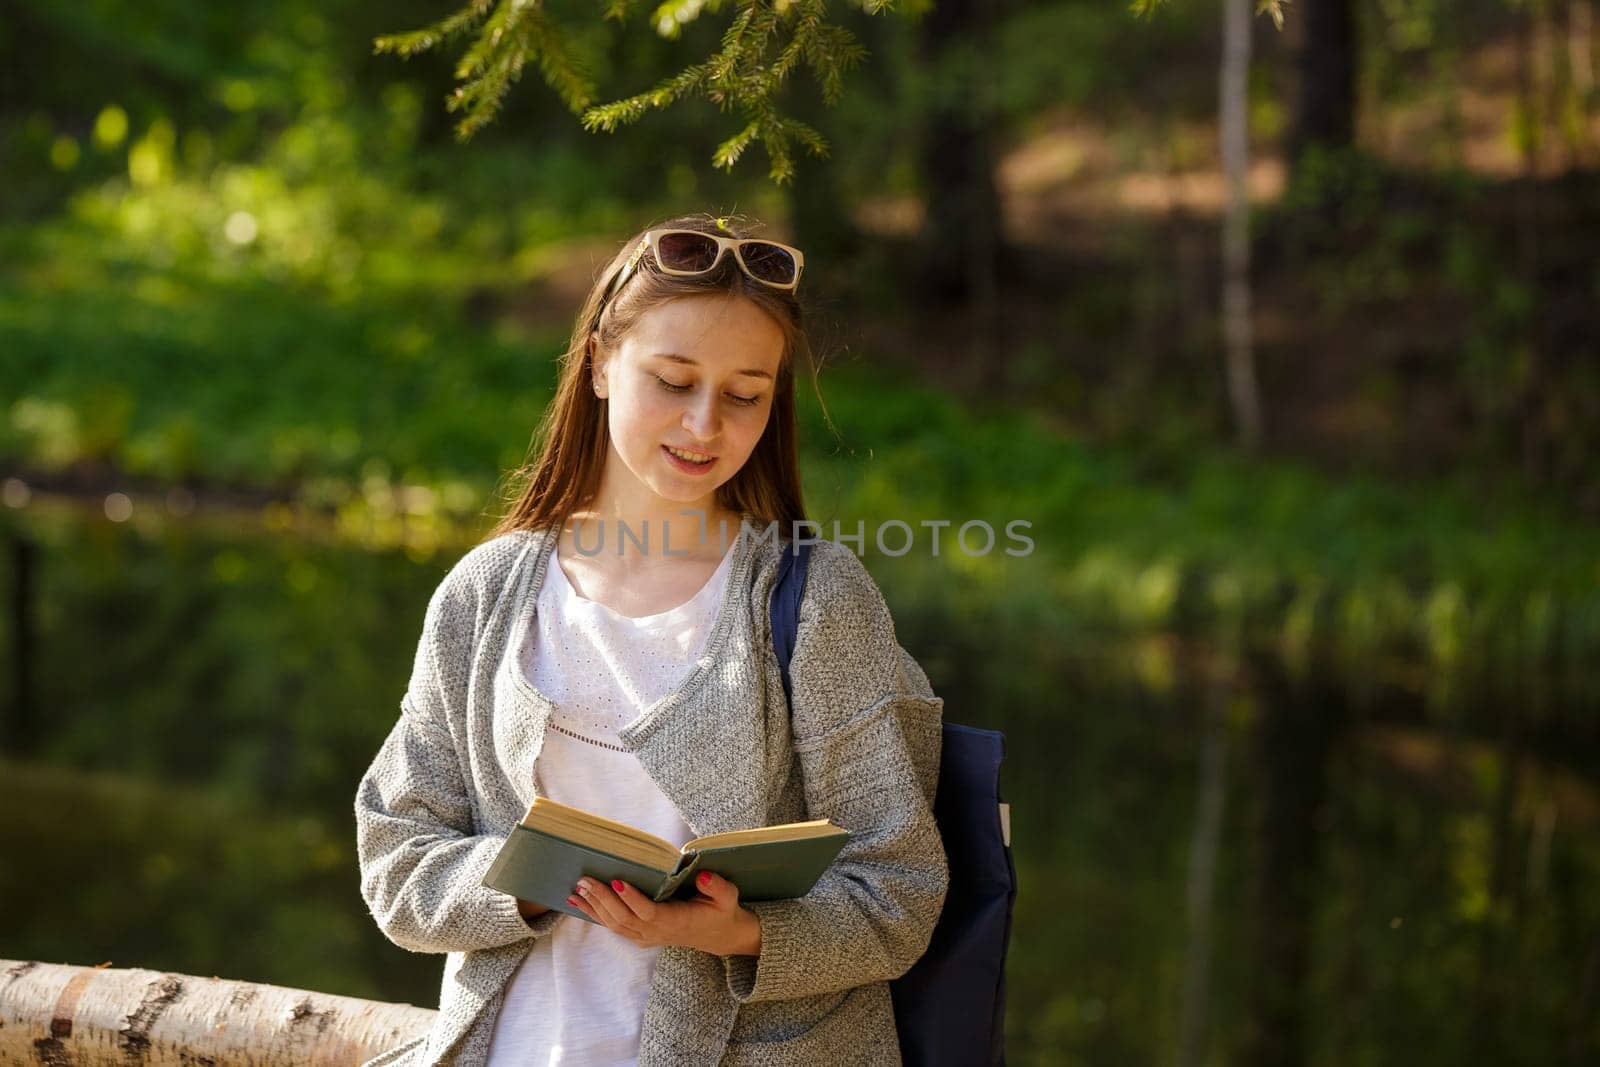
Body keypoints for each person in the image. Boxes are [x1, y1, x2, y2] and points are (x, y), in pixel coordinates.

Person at [353, 212, 949, 1066]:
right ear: (599, 361)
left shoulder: (813, 597)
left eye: (745, 394)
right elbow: (396, 856)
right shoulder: (485, 596)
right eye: (673, 380)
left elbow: (900, 891)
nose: (705, 424)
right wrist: (530, 887)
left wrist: (741, 931)